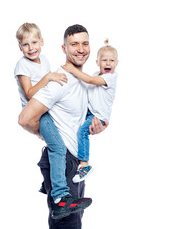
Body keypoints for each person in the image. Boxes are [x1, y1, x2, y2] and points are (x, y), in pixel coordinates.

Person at [18, 24, 108, 228]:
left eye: (84, 43)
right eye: (74, 44)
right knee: (68, 224)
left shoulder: (84, 81)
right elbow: (25, 118)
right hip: (63, 161)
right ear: (63, 48)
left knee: (73, 222)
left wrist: (96, 126)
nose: (80, 49)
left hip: (75, 161)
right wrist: (46, 135)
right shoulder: (61, 81)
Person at [14, 22, 75, 218]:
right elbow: (31, 94)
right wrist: (48, 77)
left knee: (59, 142)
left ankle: (47, 182)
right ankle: (59, 197)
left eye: (34, 42)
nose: (31, 48)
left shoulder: (45, 60)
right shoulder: (22, 65)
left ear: (42, 42)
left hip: (48, 109)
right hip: (37, 113)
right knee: (58, 148)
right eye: (25, 44)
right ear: (19, 47)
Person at [62, 39, 118, 183]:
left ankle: (84, 165)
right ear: (97, 62)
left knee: (82, 132)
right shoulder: (95, 73)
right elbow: (87, 85)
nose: (108, 63)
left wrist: (73, 70)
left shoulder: (110, 77)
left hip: (98, 116)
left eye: (112, 60)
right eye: (104, 60)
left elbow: (90, 81)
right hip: (89, 112)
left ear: (116, 63)